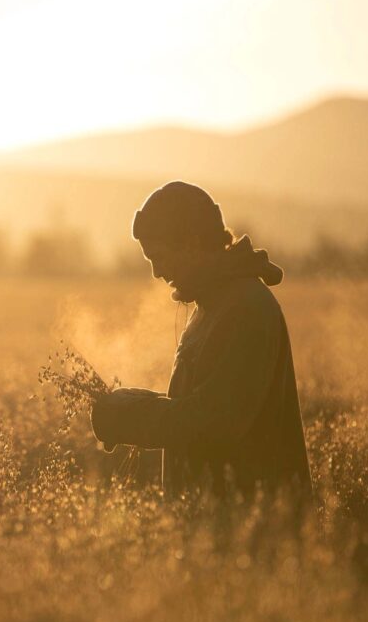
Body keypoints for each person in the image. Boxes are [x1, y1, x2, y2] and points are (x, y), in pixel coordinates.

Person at [89, 181, 312, 501]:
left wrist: (130, 417)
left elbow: (215, 422)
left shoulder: (246, 308)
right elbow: (204, 401)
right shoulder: (215, 304)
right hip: (218, 527)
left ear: (192, 244)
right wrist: (133, 403)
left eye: (160, 256)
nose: (155, 272)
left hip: (253, 531)